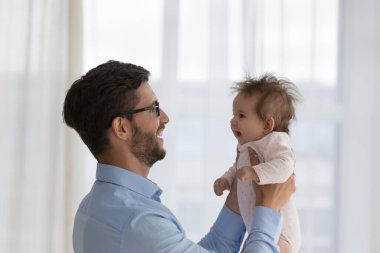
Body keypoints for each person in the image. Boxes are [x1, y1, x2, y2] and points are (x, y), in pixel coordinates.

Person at [63, 60, 296, 253]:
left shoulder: (95, 206)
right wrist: (267, 208)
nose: (164, 118)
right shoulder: (138, 222)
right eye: (153, 109)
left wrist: (237, 200)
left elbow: (207, 249)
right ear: (122, 128)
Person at [214, 74, 301, 253]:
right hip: (259, 228)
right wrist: (227, 179)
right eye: (233, 115)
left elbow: (286, 165)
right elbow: (237, 168)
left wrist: (255, 172)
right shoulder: (247, 147)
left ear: (267, 125)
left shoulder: (275, 140)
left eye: (241, 115)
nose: (233, 121)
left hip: (281, 231)